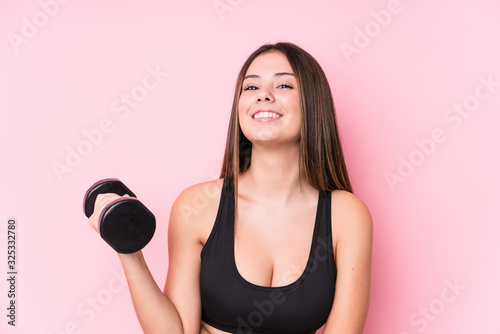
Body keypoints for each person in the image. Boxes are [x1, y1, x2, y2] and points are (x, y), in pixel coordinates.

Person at [89, 42, 373, 334]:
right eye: (250, 88)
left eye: (284, 85)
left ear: (314, 103)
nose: (264, 95)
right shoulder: (197, 206)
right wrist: (128, 250)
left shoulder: (347, 216)